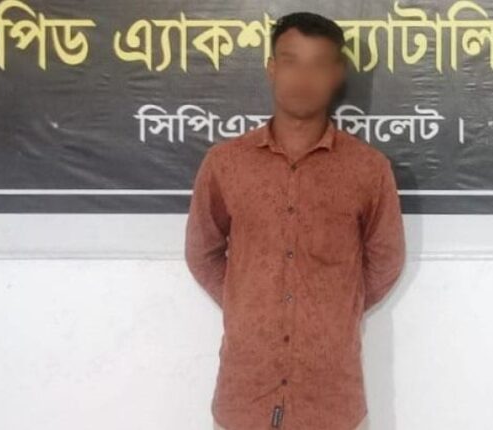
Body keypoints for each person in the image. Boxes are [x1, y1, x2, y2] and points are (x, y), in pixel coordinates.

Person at [185, 10, 406, 430]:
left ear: (337, 74)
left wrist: (331, 308)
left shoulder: (368, 168)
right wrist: (247, 303)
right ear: (271, 68)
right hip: (244, 397)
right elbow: (202, 252)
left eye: (318, 64)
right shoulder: (225, 163)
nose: (303, 78)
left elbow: (385, 261)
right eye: (291, 62)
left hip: (331, 401)